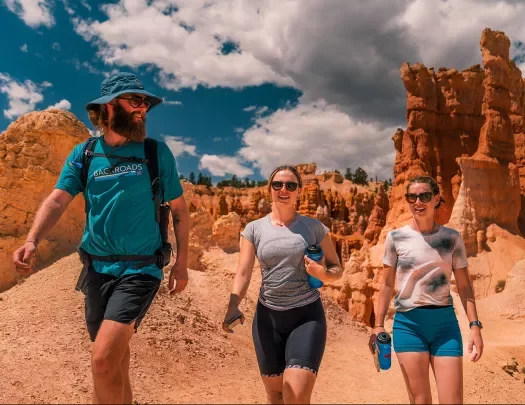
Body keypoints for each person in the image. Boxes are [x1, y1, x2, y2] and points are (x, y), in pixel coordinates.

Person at [12, 72, 190, 404]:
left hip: (140, 270)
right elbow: (57, 200)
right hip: (96, 272)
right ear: (109, 107)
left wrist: (181, 264)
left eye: (146, 103)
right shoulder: (85, 155)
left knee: (102, 360)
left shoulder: (155, 154)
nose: (143, 109)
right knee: (115, 363)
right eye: (135, 100)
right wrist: (32, 239)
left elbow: (179, 211)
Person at [222, 165, 343, 404]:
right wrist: (232, 305)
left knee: (296, 394)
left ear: (299, 191)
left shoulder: (314, 228)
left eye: (291, 185)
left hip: (306, 316)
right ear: (270, 190)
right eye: (278, 184)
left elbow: (337, 269)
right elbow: (244, 273)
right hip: (267, 320)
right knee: (275, 395)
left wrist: (324, 274)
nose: (284, 189)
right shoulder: (254, 229)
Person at [371, 175, 484, 404]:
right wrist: (378, 325)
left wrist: (475, 326)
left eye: (424, 196)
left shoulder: (451, 238)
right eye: (412, 197)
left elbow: (464, 286)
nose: (418, 202)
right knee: (420, 401)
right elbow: (386, 284)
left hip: (445, 326)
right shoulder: (396, 238)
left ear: (436, 199)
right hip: (408, 325)